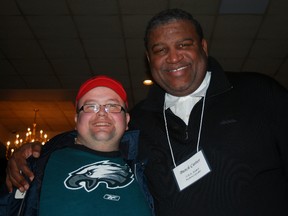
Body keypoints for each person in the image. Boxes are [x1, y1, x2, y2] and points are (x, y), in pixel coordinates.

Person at [4, 8, 288, 216]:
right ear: (149, 58)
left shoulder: (259, 92)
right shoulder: (140, 119)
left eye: (183, 45)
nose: (173, 57)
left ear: (203, 47)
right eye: (160, 49)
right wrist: (35, 151)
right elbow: (97, 136)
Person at [0, 75, 153, 216]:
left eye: (112, 106)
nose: (101, 112)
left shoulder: (146, 169)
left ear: (126, 120)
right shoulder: (37, 164)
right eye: (90, 106)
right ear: (76, 119)